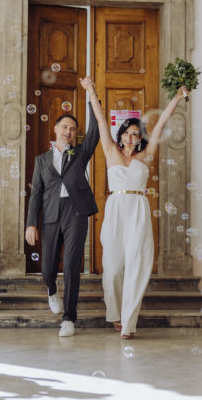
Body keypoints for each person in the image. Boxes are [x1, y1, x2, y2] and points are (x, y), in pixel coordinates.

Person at [81, 76, 189, 338]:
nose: (132, 137)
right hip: (116, 209)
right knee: (114, 268)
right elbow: (101, 121)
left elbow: (162, 123)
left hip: (138, 210)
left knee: (137, 265)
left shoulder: (146, 155)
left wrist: (177, 97)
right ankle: (115, 313)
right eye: (128, 133)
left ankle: (129, 323)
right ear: (122, 136)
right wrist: (91, 90)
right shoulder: (110, 151)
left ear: (140, 138)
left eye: (136, 133)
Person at [25, 97, 100, 337]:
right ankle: (51, 290)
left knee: (71, 266)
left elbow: (96, 130)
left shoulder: (79, 153)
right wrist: (31, 224)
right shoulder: (42, 160)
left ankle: (69, 318)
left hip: (76, 212)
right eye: (65, 127)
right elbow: (36, 193)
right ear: (56, 129)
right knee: (47, 268)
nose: (69, 131)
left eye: (73, 129)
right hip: (50, 214)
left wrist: (91, 97)